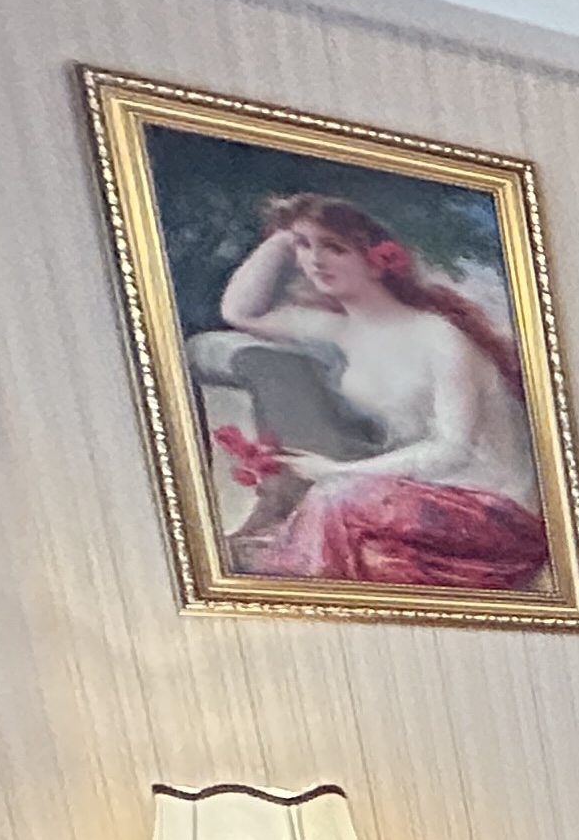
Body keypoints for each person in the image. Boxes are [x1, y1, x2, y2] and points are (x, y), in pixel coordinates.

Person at [211, 193, 547, 590]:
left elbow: (452, 449)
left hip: (494, 511)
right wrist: (286, 236)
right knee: (353, 540)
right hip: (415, 498)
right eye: (305, 248)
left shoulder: (439, 337)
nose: (315, 260)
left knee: (335, 498)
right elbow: (240, 312)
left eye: (334, 248)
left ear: (377, 260)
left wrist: (338, 471)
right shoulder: (339, 331)